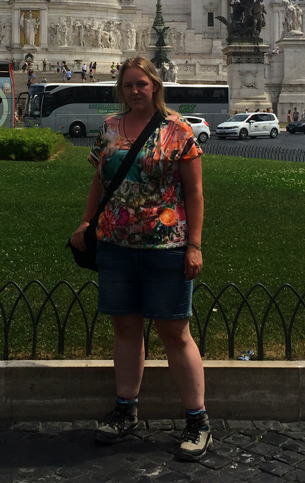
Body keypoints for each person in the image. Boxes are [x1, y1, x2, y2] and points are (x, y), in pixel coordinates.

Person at [70, 56, 210, 461]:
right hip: (114, 243)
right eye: (129, 85)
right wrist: (86, 222)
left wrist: (195, 245)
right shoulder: (110, 128)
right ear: (121, 89)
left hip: (166, 245)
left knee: (175, 333)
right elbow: (99, 180)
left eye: (142, 84)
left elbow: (195, 194)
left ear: (155, 87)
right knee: (126, 329)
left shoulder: (180, 131)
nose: (135, 91)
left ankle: (198, 420)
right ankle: (125, 409)